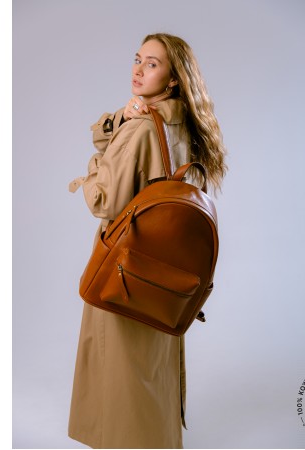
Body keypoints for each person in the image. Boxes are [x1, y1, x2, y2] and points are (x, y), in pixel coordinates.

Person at [68, 33, 226, 449]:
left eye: (152, 64)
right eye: (137, 59)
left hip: (124, 269)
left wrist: (94, 167)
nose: (138, 70)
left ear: (173, 79)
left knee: (119, 377)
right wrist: (121, 117)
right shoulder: (184, 124)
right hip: (163, 272)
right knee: (151, 371)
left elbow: (104, 200)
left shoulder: (141, 128)